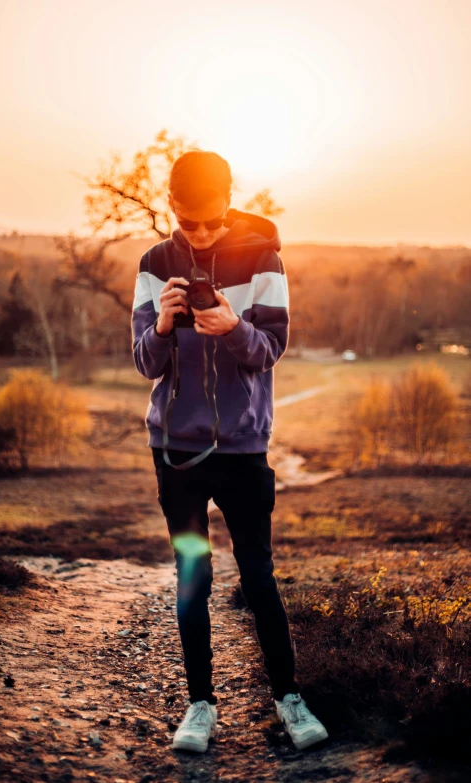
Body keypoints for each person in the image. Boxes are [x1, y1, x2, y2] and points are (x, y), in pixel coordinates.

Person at [131, 149, 328, 753]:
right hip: (177, 456)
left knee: (259, 575)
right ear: (173, 209)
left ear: (229, 200)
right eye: (191, 222)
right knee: (192, 575)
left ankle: (289, 698)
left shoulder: (263, 253)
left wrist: (233, 329)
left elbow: (271, 346)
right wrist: (162, 327)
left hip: (243, 450)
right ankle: (200, 706)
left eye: (213, 220)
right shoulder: (154, 263)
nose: (203, 232)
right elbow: (144, 362)